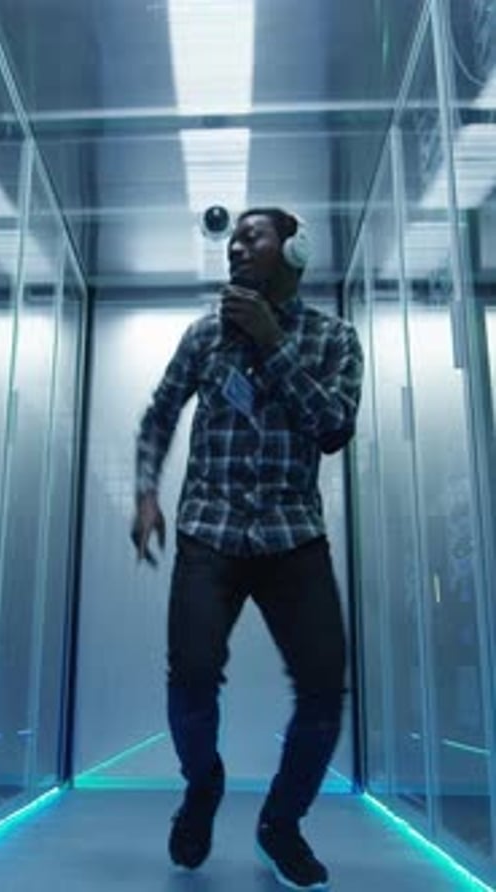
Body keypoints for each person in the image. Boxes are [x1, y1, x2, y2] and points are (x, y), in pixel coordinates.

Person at [131, 207, 363, 891]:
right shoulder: (205, 336)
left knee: (324, 690)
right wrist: (147, 493)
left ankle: (280, 823)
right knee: (191, 678)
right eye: (232, 240)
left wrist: (271, 342)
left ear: (295, 251)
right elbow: (160, 412)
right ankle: (202, 786)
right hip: (210, 530)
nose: (235, 247)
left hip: (293, 534)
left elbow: (333, 428)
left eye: (252, 236)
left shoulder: (334, 338)